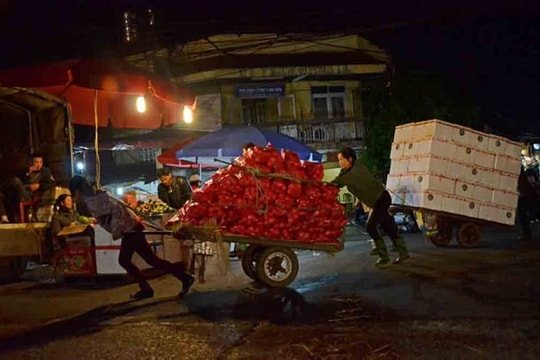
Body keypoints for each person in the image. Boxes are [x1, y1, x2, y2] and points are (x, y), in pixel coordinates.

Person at [69, 176, 194, 300]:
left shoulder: (94, 199)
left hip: (130, 229)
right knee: (146, 260)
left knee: (133, 260)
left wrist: (118, 227)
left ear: (77, 191)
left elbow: (112, 211)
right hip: (130, 228)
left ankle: (163, 284)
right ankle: (162, 284)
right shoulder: (95, 197)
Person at [332, 147, 409, 267]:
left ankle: (384, 258)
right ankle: (403, 251)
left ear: (350, 159)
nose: (340, 162)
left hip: (381, 199)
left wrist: (321, 185)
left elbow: (337, 183)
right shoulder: (347, 171)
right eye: (339, 160)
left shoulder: (354, 172)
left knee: (370, 227)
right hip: (378, 200)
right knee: (387, 225)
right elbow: (338, 181)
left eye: (342, 160)